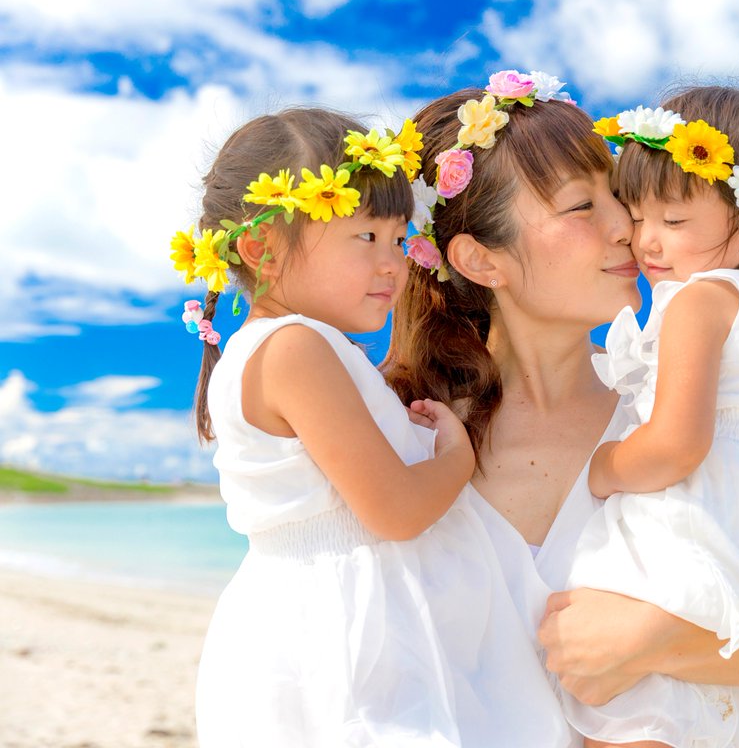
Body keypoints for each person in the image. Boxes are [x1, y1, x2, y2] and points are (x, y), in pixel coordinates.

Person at [384, 74, 739, 747]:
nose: (628, 230)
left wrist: (653, 637)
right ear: (481, 259)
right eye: (581, 208)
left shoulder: (667, 410)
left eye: (623, 199)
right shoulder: (411, 443)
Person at [173, 108, 571, 747]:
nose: (393, 264)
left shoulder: (284, 350)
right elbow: (395, 511)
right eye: (365, 239)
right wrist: (455, 455)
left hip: (312, 616)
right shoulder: (297, 349)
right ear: (261, 249)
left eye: (397, 238)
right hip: (354, 633)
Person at [556, 87, 739, 747]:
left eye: (675, 221)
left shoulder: (700, 301)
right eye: (638, 214)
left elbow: (677, 446)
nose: (646, 241)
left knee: (631, 699)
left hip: (694, 524)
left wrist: (598, 468)